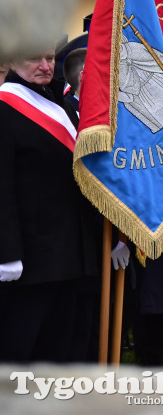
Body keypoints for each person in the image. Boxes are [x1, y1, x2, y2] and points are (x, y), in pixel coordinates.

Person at [0, 48, 103, 362]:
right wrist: (7, 254)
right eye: (34, 59)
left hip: (73, 256)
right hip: (30, 262)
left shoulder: (59, 104)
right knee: (19, 351)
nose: (45, 66)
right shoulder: (6, 108)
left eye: (48, 57)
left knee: (63, 351)